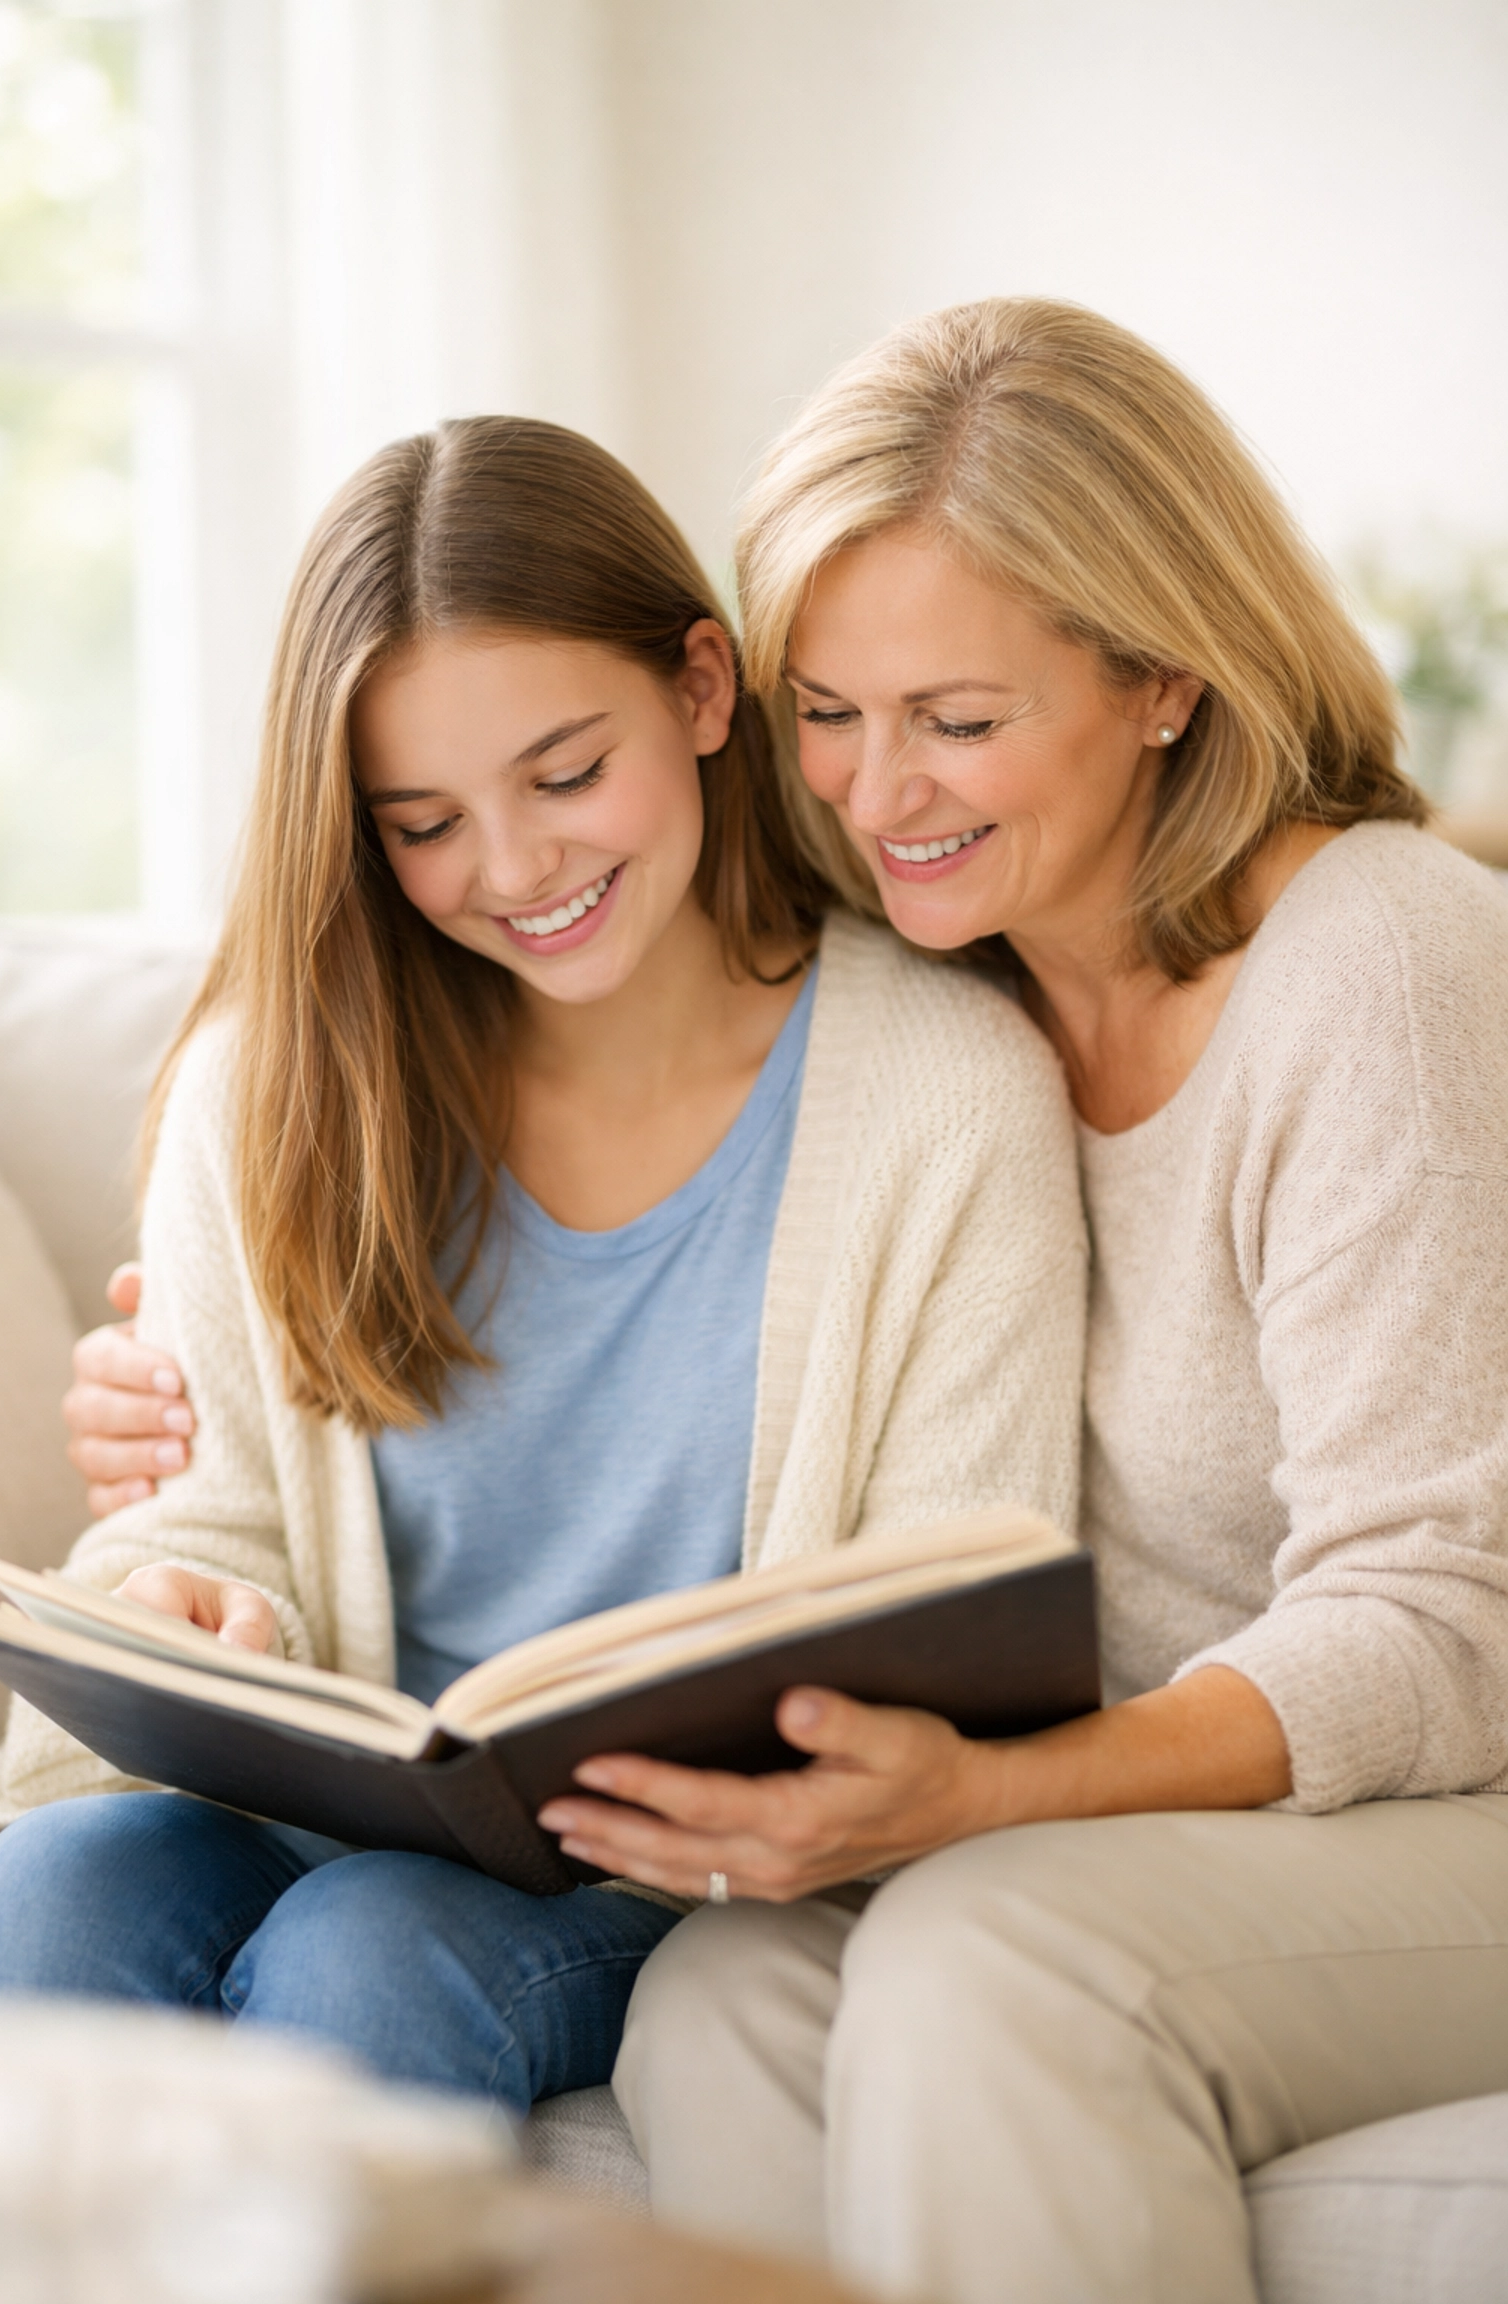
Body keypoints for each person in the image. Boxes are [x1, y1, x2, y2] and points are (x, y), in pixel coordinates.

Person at [535, 301, 1508, 2304]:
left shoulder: (1381, 967)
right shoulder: (917, 990)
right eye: (828, 711)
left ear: (1166, 679)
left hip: (1456, 1785)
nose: (879, 795)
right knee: (720, 1997)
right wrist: (184, 1387)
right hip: (1165, 1802)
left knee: (1002, 1956)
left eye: (957, 721)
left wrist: (997, 1798)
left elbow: (1433, 1628)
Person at [0, 413, 1087, 2119]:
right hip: (328, 1800)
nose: (514, 870)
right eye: (423, 823)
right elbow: (206, 1509)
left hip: (655, 1875)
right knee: (52, 1889)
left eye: (567, 775)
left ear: (704, 691)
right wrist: (170, 1603)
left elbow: (953, 1601)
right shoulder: (279, 1085)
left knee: (371, 1949)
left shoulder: (947, 1095)